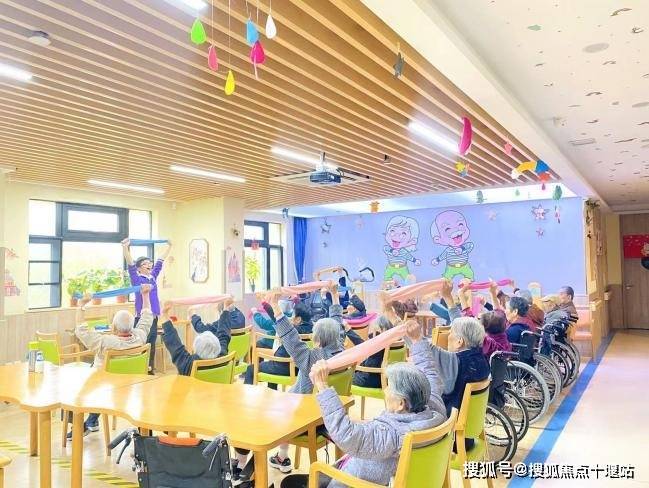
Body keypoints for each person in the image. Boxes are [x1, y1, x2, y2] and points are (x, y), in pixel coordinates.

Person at [278, 319, 446, 488]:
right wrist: (417, 340)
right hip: (359, 470)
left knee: (288, 483)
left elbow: (346, 435)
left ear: (401, 404)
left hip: (352, 483)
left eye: (389, 387)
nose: (385, 391)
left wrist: (322, 387)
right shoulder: (433, 408)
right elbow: (430, 373)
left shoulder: (390, 435)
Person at [236, 284, 345, 475]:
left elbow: (290, 338)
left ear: (318, 340)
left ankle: (239, 464)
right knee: (278, 405)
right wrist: (334, 296)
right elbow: (338, 323)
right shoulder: (341, 351)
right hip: (328, 418)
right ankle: (281, 457)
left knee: (251, 415)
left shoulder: (313, 360)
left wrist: (275, 306)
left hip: (302, 419)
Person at [72, 284, 154, 437]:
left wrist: (81, 305)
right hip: (131, 385)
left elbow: (81, 330)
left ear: (114, 327)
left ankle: (80, 425)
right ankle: (92, 421)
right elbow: (147, 316)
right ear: (132, 326)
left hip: (105, 386)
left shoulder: (105, 342)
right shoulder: (140, 337)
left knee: (78, 385)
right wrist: (145, 295)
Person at [122, 238, 172, 373]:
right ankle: (139, 369)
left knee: (151, 343)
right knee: (141, 343)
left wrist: (169, 246)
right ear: (139, 268)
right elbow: (130, 264)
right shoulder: (137, 279)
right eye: (145, 264)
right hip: (142, 317)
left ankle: (149, 369)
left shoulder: (153, 277)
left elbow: (160, 261)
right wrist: (125, 248)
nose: (149, 265)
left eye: (150, 263)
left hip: (153, 316)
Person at [243, 302, 313, 389]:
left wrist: (266, 303)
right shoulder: (312, 329)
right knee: (271, 365)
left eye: (292, 315)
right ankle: (272, 393)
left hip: (283, 365)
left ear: (298, 319)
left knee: (250, 369)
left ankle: (246, 395)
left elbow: (277, 319)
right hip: (299, 369)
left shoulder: (293, 330)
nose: (290, 317)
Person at [160, 301, 232, 376]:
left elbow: (174, 343)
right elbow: (224, 334)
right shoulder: (223, 355)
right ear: (218, 346)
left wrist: (164, 315)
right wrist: (226, 308)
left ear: (195, 348)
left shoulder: (187, 364)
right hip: (218, 384)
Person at [349, 301, 407, 389]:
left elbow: (363, 348)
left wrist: (349, 331)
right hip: (388, 379)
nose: (374, 331)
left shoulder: (381, 343)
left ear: (382, 329)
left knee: (345, 378)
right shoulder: (396, 341)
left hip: (371, 379)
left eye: (376, 329)